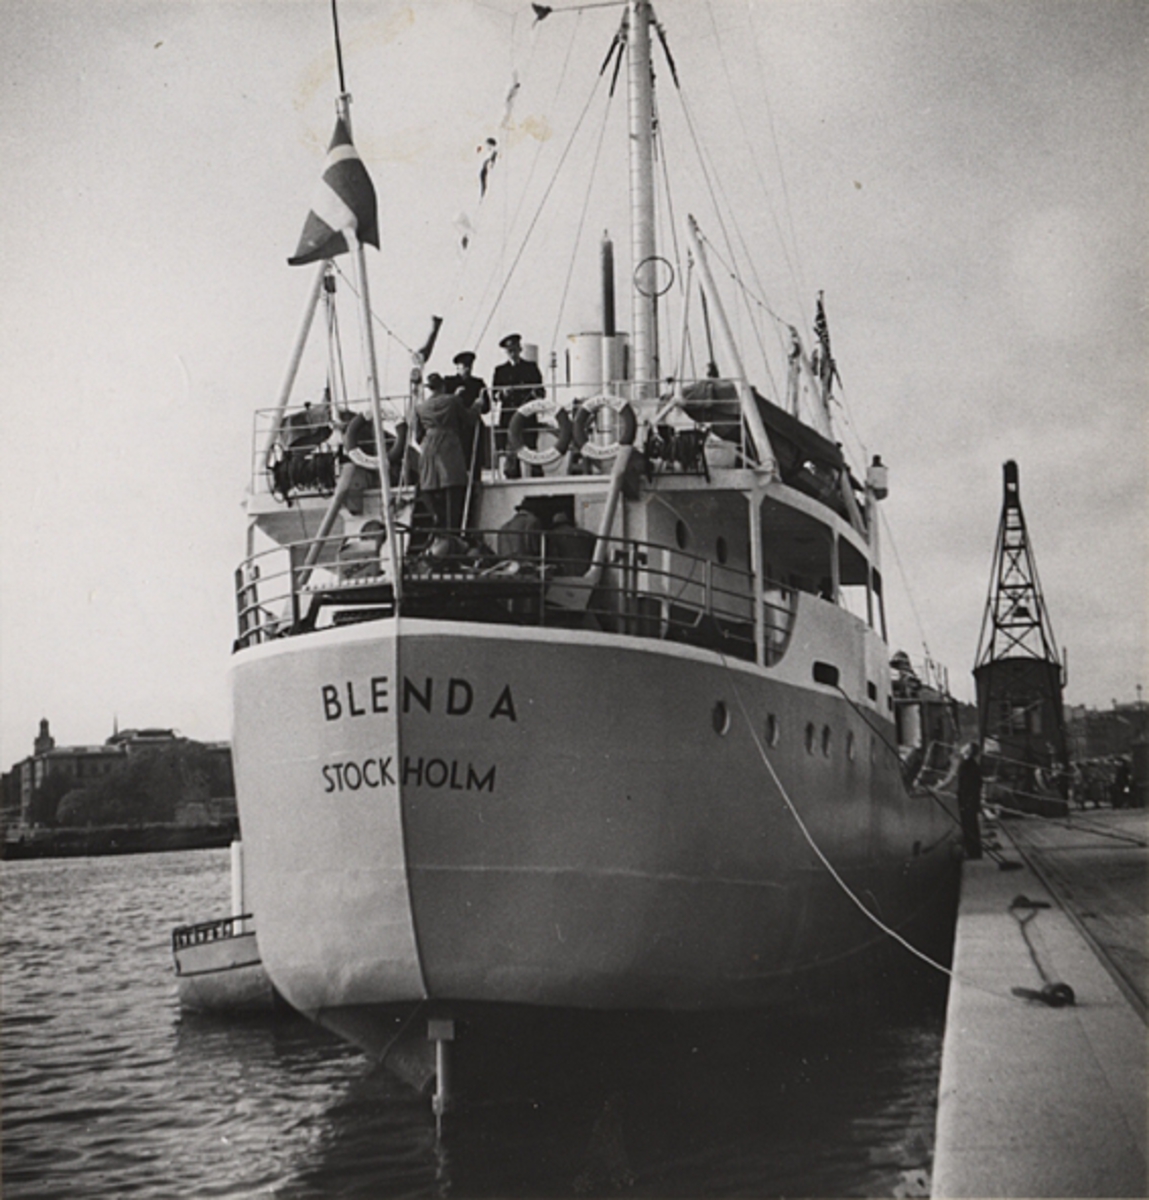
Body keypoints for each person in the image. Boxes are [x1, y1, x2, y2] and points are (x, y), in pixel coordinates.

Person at [415, 373, 484, 534]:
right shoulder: (452, 401)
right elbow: (469, 418)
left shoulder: (420, 407)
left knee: (428, 484)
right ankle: (453, 526)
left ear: (429, 388)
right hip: (448, 443)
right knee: (453, 485)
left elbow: (418, 436)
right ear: (443, 386)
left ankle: (436, 516)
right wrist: (477, 405)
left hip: (428, 446)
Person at [492, 332, 545, 478]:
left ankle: (536, 475)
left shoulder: (531, 367)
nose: (513, 353)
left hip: (527, 415)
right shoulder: (500, 371)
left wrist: (536, 393)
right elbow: (494, 395)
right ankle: (512, 475)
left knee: (531, 446)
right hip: (509, 415)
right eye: (510, 351)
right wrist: (503, 393)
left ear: (520, 350)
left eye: (515, 350)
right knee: (511, 449)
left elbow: (541, 391)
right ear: (506, 352)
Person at [443, 350, 489, 485]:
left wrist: (482, 403)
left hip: (473, 427)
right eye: (464, 367)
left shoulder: (478, 383)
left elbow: (487, 408)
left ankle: (476, 483)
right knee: (458, 460)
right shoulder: (449, 383)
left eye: (469, 366)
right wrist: (454, 396)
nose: (467, 370)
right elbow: (444, 405)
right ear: (457, 367)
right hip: (457, 428)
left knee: (475, 461)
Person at [956, 742, 984, 860]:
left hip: (968, 801)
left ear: (968, 752)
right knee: (972, 825)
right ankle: (975, 852)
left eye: (965, 748)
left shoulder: (966, 765)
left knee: (969, 826)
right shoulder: (973, 765)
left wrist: (964, 800)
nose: (961, 749)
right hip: (972, 800)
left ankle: (972, 852)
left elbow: (966, 785)